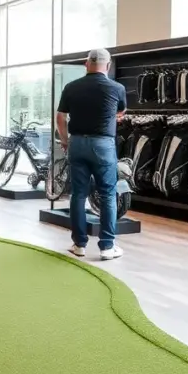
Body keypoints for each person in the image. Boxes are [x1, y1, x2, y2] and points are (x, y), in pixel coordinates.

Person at [56, 48, 127, 260]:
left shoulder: (71, 87)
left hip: (77, 142)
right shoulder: (117, 88)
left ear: (86, 64)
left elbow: (60, 117)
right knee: (107, 194)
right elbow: (120, 112)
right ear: (108, 65)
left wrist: (65, 140)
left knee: (78, 194)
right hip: (103, 144)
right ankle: (106, 247)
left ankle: (79, 245)